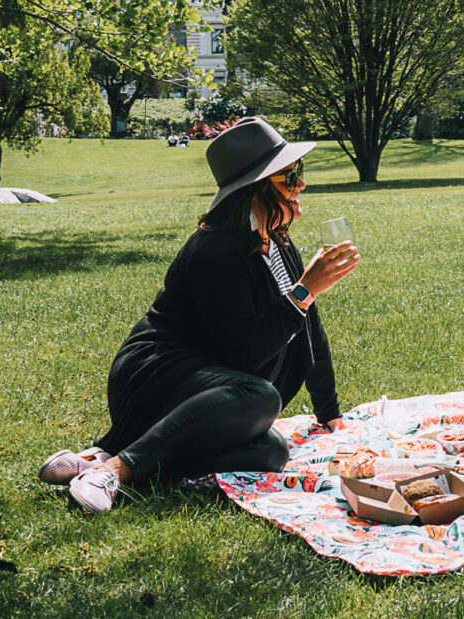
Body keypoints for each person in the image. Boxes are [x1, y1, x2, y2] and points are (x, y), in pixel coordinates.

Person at [38, 117, 360, 514]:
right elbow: (245, 353)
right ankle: (119, 469)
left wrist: (330, 413)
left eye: (298, 174)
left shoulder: (277, 240)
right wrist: (304, 291)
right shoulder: (216, 251)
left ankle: (101, 459)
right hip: (160, 373)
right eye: (290, 177)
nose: (301, 186)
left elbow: (309, 328)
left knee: (271, 451)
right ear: (255, 190)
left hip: (214, 387)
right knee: (259, 395)